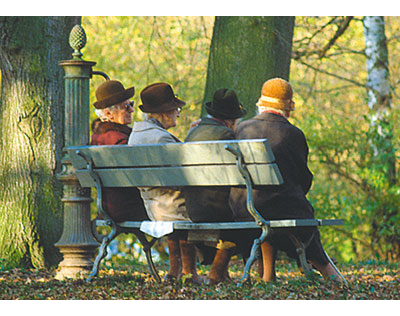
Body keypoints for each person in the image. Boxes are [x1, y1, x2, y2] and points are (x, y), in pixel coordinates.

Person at [229, 78, 343, 282]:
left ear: (261, 105)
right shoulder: (293, 134)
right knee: (293, 209)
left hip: (242, 208)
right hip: (281, 209)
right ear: (288, 108)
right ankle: (329, 273)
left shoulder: (241, 130)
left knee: (265, 204)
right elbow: (303, 179)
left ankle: (268, 276)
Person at [128, 82, 202, 284]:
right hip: (173, 206)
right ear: (163, 113)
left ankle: (176, 271)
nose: (178, 113)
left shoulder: (136, 136)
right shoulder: (161, 139)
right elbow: (182, 178)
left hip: (153, 206)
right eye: (175, 109)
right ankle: (190, 272)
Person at [185, 88, 247, 284]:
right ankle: (217, 273)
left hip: (192, 206)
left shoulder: (193, 133)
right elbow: (239, 176)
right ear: (230, 120)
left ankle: (221, 273)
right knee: (246, 215)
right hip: (217, 208)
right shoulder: (227, 135)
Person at [91, 80, 149, 223]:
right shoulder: (120, 140)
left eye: (131, 105)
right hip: (129, 208)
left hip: (106, 208)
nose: (132, 110)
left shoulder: (96, 137)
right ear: (108, 113)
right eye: (126, 107)